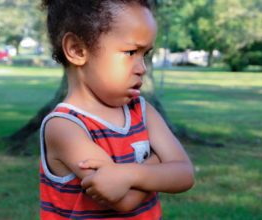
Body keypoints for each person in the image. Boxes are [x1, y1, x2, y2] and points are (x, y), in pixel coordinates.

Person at [39, 0, 195, 219]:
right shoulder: (65, 126)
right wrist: (159, 159)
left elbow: (185, 175)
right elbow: (122, 200)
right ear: (77, 49)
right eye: (131, 52)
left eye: (145, 55)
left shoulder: (141, 110)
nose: (142, 68)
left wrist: (128, 174)